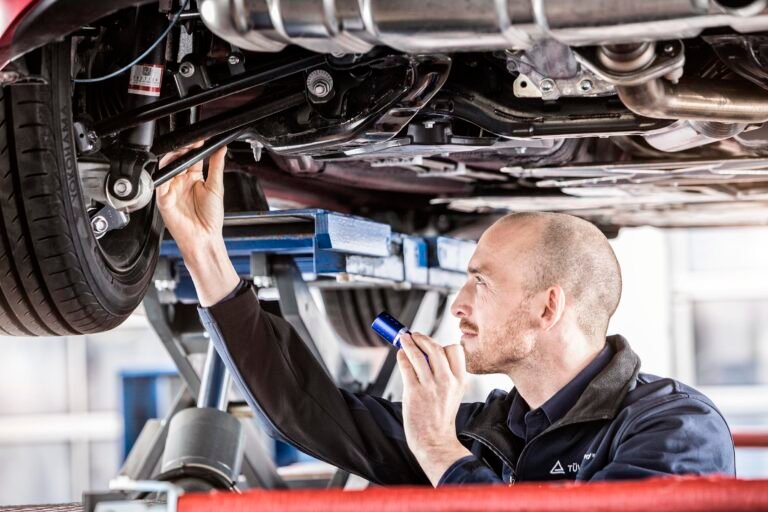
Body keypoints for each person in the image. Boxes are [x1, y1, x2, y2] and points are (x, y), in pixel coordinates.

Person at [155, 145, 736, 486]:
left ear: (548, 306)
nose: (458, 304)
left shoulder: (676, 429)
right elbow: (307, 410)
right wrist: (206, 252)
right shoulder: (490, 429)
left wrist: (439, 450)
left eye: (481, 283)